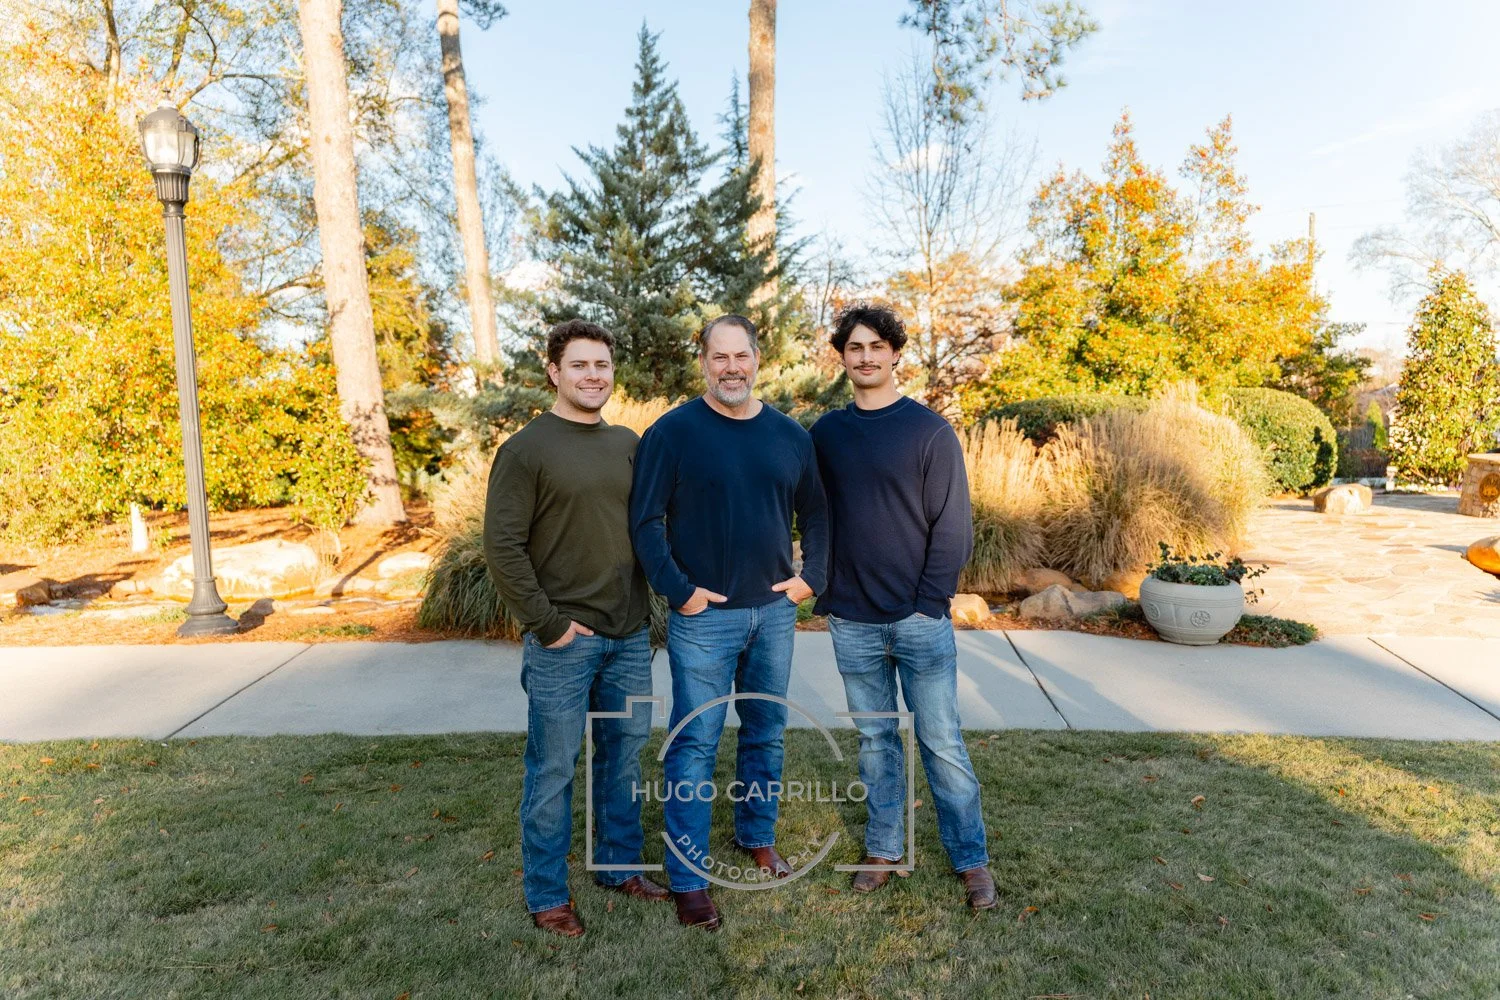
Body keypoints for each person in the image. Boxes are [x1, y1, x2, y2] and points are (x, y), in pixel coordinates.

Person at [629, 314, 829, 931]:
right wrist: (681, 592)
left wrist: (811, 577)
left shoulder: (789, 435)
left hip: (772, 614)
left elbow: (819, 515)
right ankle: (688, 876)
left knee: (765, 730)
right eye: (719, 358)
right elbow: (645, 523)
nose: (731, 368)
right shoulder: (673, 432)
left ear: (757, 358)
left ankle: (755, 835)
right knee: (694, 742)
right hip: (705, 619)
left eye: (740, 356)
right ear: (704, 365)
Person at [808, 304, 998, 911]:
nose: (865, 357)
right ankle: (885, 849)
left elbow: (953, 526)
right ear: (844, 357)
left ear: (895, 354)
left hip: (918, 621)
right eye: (854, 348)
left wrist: (927, 604)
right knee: (875, 743)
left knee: (942, 743)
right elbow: (810, 513)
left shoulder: (929, 432)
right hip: (852, 621)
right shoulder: (826, 434)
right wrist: (825, 590)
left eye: (876, 347)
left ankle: (971, 860)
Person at [483, 319, 669, 939]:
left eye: (603, 366)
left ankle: (618, 867)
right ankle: (547, 894)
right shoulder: (526, 449)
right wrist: (549, 625)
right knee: (554, 769)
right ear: (555, 373)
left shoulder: (627, 442)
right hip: (565, 643)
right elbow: (503, 547)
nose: (594, 376)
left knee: (622, 761)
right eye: (581, 366)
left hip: (629, 637)